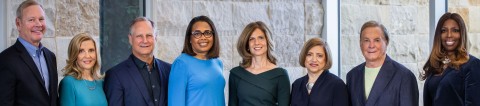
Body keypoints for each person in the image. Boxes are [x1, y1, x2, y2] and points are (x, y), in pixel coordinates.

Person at [346, 21, 419, 106]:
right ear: (360, 44)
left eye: (377, 40)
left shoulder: (404, 77)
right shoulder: (352, 76)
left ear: (386, 42)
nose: (371, 45)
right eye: (366, 40)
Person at [0, 0, 58, 105]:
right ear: (18, 24)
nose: (38, 24)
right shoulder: (5, 59)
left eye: (41, 19)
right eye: (31, 20)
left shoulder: (50, 57)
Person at [104, 17, 171, 106]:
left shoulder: (169, 70)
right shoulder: (115, 75)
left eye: (149, 35)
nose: (145, 40)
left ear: (156, 38)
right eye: (139, 36)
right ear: (130, 39)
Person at [422, 12, 480, 106]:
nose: (449, 35)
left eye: (455, 30)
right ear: (439, 36)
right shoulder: (437, 65)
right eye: (444, 31)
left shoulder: (473, 65)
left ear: (462, 34)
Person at [228, 21, 290, 106]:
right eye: (251, 39)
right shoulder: (236, 74)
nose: (256, 42)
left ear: (267, 41)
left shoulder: (280, 75)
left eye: (261, 37)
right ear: (247, 44)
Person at [168, 15, 224, 106]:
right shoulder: (181, 64)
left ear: (213, 36)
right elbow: (175, 103)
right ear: (189, 38)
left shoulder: (218, 63)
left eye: (207, 33)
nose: (203, 37)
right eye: (197, 34)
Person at [290, 38, 349, 106]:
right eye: (309, 54)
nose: (314, 60)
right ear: (304, 57)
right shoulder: (297, 84)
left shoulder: (337, 85)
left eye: (319, 56)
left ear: (326, 59)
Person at [59, 33, 107, 106]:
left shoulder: (101, 82)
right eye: (81, 51)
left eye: (91, 50)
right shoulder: (68, 82)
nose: (87, 56)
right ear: (74, 55)